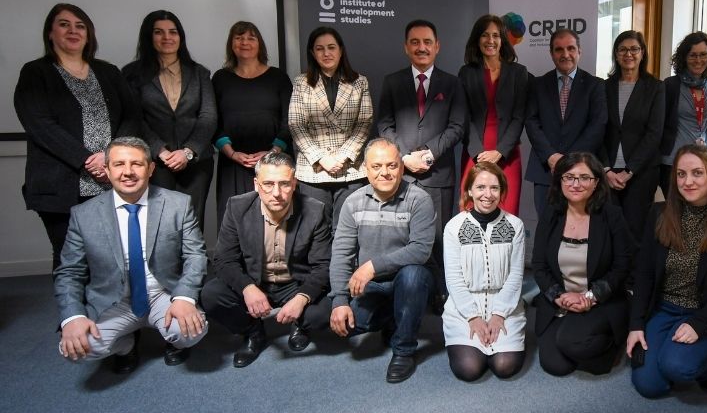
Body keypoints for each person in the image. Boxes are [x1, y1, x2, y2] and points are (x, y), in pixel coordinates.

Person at [54, 137, 207, 374]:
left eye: (136, 164)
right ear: (106, 169)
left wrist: (185, 298)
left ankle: (173, 340)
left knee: (192, 330)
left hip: (162, 294)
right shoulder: (83, 215)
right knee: (76, 349)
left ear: (151, 168)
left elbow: (195, 255)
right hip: (113, 301)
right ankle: (125, 345)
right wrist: (72, 317)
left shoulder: (178, 204)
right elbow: (69, 272)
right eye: (119, 164)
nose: (128, 172)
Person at [15, 3, 138, 270]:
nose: (73, 31)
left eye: (80, 26)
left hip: (110, 180)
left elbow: (131, 115)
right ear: (50, 33)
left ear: (89, 34)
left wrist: (111, 155)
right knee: (70, 257)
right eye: (64, 24)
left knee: (110, 257)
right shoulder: (35, 73)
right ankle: (73, 313)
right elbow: (40, 125)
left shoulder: (108, 71)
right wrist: (87, 160)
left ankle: (106, 312)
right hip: (61, 183)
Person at [627, 144, 707, 397]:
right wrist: (636, 325)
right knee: (650, 386)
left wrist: (699, 323)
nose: (687, 181)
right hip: (665, 308)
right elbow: (644, 274)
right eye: (681, 174)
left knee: (677, 367)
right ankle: (672, 353)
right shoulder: (659, 213)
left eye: (697, 173)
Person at [202, 152, 333, 368]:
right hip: (255, 281)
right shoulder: (237, 207)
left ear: (295, 183)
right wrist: (247, 288)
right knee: (211, 295)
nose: (277, 193)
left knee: (323, 311)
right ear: (256, 184)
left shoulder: (314, 210)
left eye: (284, 184)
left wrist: (301, 298)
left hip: (295, 282)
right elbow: (224, 260)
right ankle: (253, 331)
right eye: (268, 184)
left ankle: (300, 325)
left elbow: (323, 265)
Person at [329, 138, 435, 383]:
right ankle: (395, 317)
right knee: (348, 325)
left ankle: (404, 350)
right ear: (366, 169)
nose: (385, 173)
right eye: (377, 166)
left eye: (391, 165)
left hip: (409, 279)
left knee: (413, 276)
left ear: (401, 166)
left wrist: (372, 266)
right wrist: (339, 301)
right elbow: (342, 253)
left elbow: (420, 250)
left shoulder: (419, 199)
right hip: (373, 285)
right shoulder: (353, 202)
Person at [378, 19, 465, 305]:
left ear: (437, 46)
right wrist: (404, 157)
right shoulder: (392, 82)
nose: (421, 47)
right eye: (415, 42)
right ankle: (405, 294)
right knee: (401, 238)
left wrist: (428, 153)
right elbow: (384, 124)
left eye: (427, 42)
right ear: (406, 47)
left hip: (437, 173)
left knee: (437, 240)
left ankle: (440, 294)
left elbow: (457, 127)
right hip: (400, 175)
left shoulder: (452, 83)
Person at [532, 151, 633, 376]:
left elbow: (622, 266)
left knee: (579, 350)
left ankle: (611, 341)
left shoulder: (611, 216)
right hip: (561, 300)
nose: (576, 184)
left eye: (584, 178)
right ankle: (575, 332)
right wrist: (559, 296)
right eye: (569, 177)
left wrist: (591, 296)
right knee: (555, 366)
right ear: (560, 181)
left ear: (596, 182)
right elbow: (539, 265)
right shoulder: (551, 214)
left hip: (600, 300)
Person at [122, 10, 216, 232]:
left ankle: (193, 267)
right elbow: (135, 118)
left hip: (196, 162)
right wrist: (161, 152)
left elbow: (209, 116)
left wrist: (188, 151)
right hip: (154, 163)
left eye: (173, 32)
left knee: (192, 224)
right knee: (160, 225)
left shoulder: (199, 72)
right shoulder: (131, 74)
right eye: (159, 32)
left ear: (180, 37)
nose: (167, 37)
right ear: (148, 37)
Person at [442, 162, 527, 381]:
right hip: (464, 306)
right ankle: (472, 343)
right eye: (480, 187)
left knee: (504, 366)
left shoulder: (515, 225)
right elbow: (454, 279)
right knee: (469, 369)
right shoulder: (454, 227)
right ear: (469, 190)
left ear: (502, 191)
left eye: (494, 188)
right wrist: (473, 318)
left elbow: (516, 275)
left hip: (506, 304)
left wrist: (498, 316)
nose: (487, 195)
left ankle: (498, 343)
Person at [289, 27, 373, 226]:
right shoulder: (301, 83)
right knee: (316, 230)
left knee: (347, 230)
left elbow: (364, 123)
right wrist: (322, 158)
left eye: (331, 47)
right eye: (319, 48)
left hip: (350, 169)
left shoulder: (359, 82)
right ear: (312, 53)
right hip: (314, 170)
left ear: (341, 50)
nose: (326, 53)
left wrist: (342, 156)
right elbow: (296, 124)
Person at [212, 21, 292, 225]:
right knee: (233, 222)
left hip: (273, 163)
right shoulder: (220, 78)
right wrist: (231, 153)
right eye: (238, 38)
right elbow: (213, 120)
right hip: (233, 164)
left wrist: (273, 152)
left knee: (274, 219)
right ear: (231, 44)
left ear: (260, 44)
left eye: (250, 37)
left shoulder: (278, 77)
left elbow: (289, 119)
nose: (244, 42)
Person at [525, 28, 607, 219]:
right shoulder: (538, 85)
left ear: (580, 51)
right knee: (546, 227)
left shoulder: (595, 85)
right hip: (546, 171)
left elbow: (597, 125)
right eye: (559, 49)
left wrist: (569, 161)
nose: (565, 54)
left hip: (582, 171)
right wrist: (552, 157)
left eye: (571, 48)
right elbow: (531, 122)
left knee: (579, 228)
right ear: (551, 53)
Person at [458, 14, 530, 215]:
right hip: (475, 154)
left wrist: (500, 151)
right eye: (485, 35)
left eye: (496, 35)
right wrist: (478, 154)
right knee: (470, 213)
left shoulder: (519, 72)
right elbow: (463, 116)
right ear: (477, 39)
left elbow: (519, 116)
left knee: (507, 215)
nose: (490, 41)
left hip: (507, 155)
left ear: (502, 39)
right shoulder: (466, 73)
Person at [600, 30, 664, 241]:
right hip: (608, 172)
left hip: (641, 173)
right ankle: (613, 274)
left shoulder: (655, 87)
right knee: (610, 228)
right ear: (616, 54)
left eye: (634, 49)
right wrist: (607, 169)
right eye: (623, 49)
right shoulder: (603, 87)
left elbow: (654, 134)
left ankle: (635, 274)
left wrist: (629, 171)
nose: (629, 54)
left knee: (636, 229)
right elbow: (598, 130)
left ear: (642, 53)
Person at [661, 32, 707, 198]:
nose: (698, 60)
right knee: (675, 210)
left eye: (703, 55)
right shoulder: (670, 85)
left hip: (705, 160)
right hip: (673, 160)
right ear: (684, 57)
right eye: (693, 55)